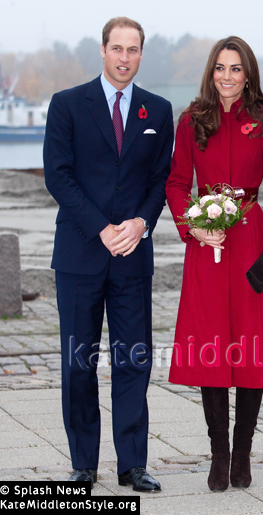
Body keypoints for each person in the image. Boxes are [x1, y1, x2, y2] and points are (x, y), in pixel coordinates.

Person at [44, 17, 174, 491]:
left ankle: (132, 465)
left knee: (133, 360)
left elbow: (160, 181)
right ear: (102, 51)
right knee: (79, 361)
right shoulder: (67, 105)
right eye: (116, 48)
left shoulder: (157, 111)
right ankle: (83, 463)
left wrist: (140, 224)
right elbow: (58, 176)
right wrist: (102, 228)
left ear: (142, 54)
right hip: (80, 253)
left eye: (133, 50)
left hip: (133, 257)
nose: (124, 58)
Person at [166, 36, 263, 492]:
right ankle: (218, 457)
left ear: (248, 74)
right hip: (206, 243)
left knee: (251, 347)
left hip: (250, 243)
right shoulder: (191, 120)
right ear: (211, 72)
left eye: (236, 69)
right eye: (220, 67)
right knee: (212, 349)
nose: (227, 76)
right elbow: (178, 182)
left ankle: (243, 456)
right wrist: (191, 226)